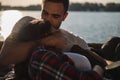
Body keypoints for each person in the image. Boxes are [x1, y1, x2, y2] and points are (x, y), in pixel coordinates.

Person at [0, 0, 107, 79]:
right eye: (45, 13)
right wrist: (44, 42)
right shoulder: (25, 24)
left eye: (55, 16)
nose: (47, 20)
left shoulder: (74, 40)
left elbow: (98, 62)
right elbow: (4, 59)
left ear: (64, 17)